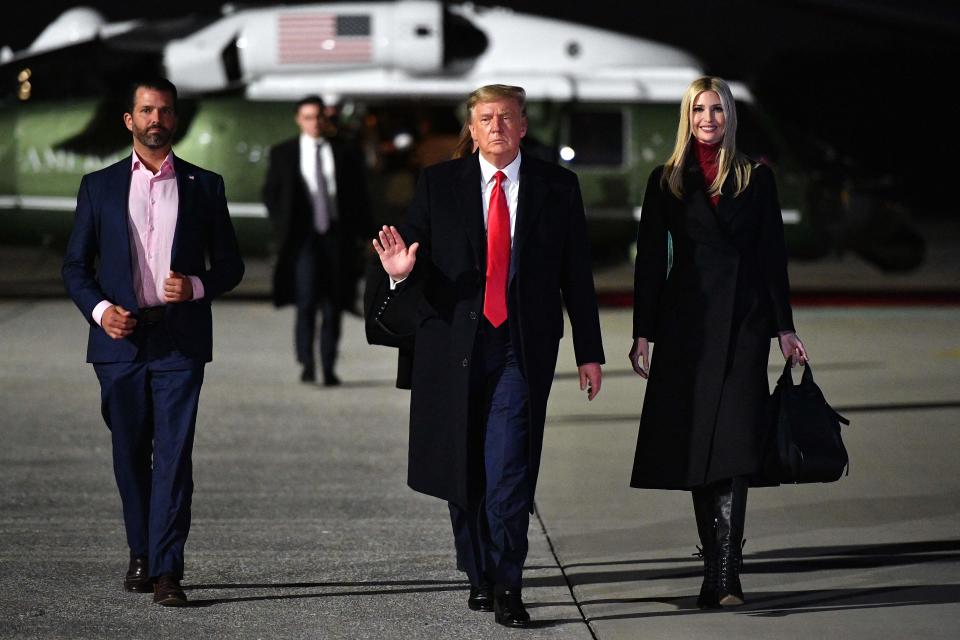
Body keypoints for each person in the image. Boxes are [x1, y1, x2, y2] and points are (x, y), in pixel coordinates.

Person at [369, 84, 605, 627]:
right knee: (464, 466)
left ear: (523, 126)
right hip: (454, 348)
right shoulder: (439, 184)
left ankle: (507, 585)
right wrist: (401, 273)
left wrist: (589, 352)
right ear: (470, 129)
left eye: (506, 117)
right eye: (484, 118)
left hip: (520, 348)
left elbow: (578, 276)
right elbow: (412, 258)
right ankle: (477, 572)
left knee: (509, 470)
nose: (495, 126)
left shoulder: (557, 187)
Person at [62, 78, 244, 606]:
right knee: (128, 453)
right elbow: (75, 266)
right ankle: (139, 552)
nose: (156, 119)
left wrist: (197, 286)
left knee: (173, 456)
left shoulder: (204, 186)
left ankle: (167, 570)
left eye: (164, 110)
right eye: (146, 110)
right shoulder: (98, 186)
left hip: (179, 341)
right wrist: (100, 313)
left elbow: (230, 265)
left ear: (175, 119)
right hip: (118, 342)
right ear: (129, 120)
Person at [628, 76, 807, 609]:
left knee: (730, 446)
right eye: (699, 109)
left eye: (718, 110)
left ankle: (726, 575)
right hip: (687, 328)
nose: (709, 118)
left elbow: (773, 258)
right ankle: (715, 564)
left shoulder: (757, 178)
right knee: (695, 447)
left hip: (744, 324)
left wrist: (785, 328)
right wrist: (644, 331)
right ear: (688, 117)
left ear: (731, 117)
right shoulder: (666, 181)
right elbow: (649, 264)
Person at [262, 95, 373, 386]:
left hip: (337, 236)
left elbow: (360, 196)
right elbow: (271, 193)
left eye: (320, 117)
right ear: (299, 119)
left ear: (327, 120)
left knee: (334, 303)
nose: (315, 123)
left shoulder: (346, 152)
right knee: (307, 300)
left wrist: (365, 234)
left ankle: (329, 363)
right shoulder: (284, 153)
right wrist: (282, 224)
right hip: (304, 238)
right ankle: (307, 362)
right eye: (309, 117)